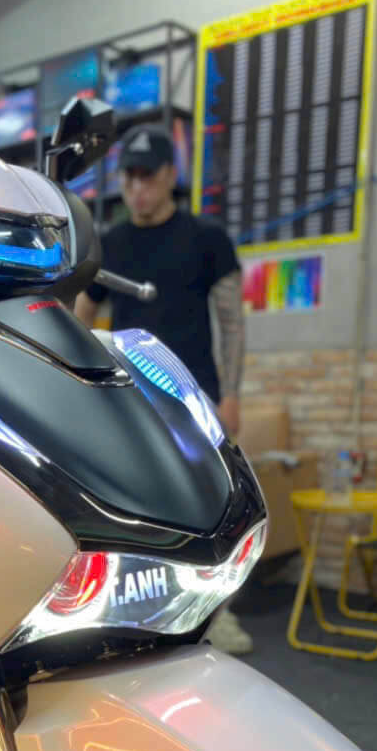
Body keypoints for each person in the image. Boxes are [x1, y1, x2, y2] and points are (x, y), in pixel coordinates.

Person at [74, 125, 251, 655]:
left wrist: (232, 393)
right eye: (128, 178)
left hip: (196, 394)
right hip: (129, 400)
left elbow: (232, 323)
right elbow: (81, 317)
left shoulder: (206, 239)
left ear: (171, 175)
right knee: (137, 510)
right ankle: (146, 617)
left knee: (214, 508)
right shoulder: (109, 245)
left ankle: (218, 616)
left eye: (147, 177)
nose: (136, 189)